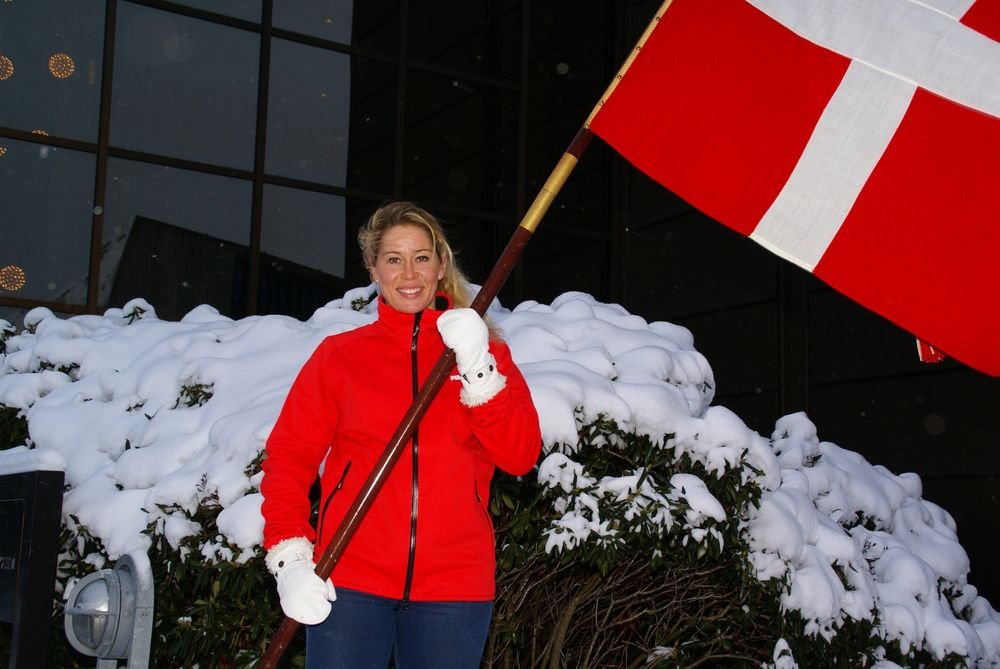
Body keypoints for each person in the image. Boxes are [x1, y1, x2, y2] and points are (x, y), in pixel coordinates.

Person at [260, 201, 542, 668]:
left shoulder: (483, 353)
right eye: (393, 259)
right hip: (347, 583)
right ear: (373, 269)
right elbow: (289, 457)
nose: (408, 272)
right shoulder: (339, 357)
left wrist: (477, 368)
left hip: (455, 589)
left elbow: (520, 455)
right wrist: (290, 555)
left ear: (441, 265)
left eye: (422, 257)